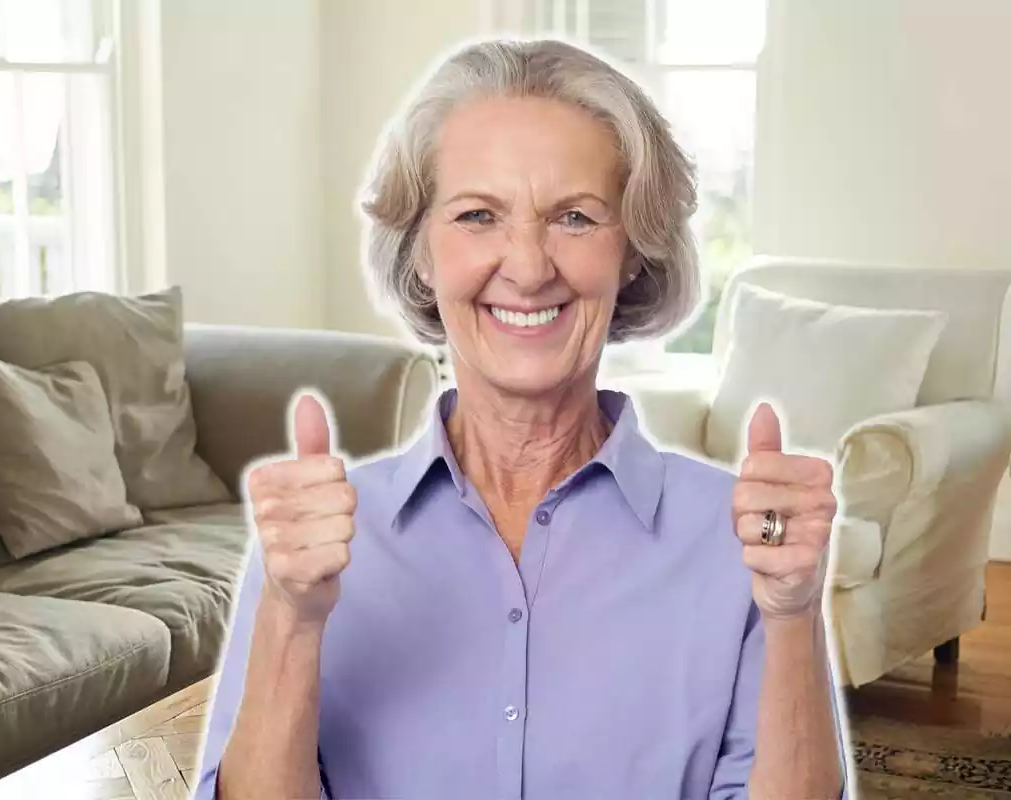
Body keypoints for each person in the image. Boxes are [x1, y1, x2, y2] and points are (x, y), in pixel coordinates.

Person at [196, 38, 847, 799]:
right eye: (478, 216)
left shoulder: (736, 541)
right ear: (421, 255)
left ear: (632, 250)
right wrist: (293, 620)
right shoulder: (316, 544)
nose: (530, 266)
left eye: (574, 217)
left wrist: (794, 613)